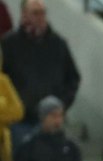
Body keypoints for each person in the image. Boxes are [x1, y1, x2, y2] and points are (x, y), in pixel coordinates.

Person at [1, 2, 76, 147]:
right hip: (20, 120)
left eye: (43, 13)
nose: (41, 17)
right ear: (24, 15)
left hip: (51, 118)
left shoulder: (58, 44)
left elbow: (72, 78)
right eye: (36, 13)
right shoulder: (9, 44)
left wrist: (62, 104)